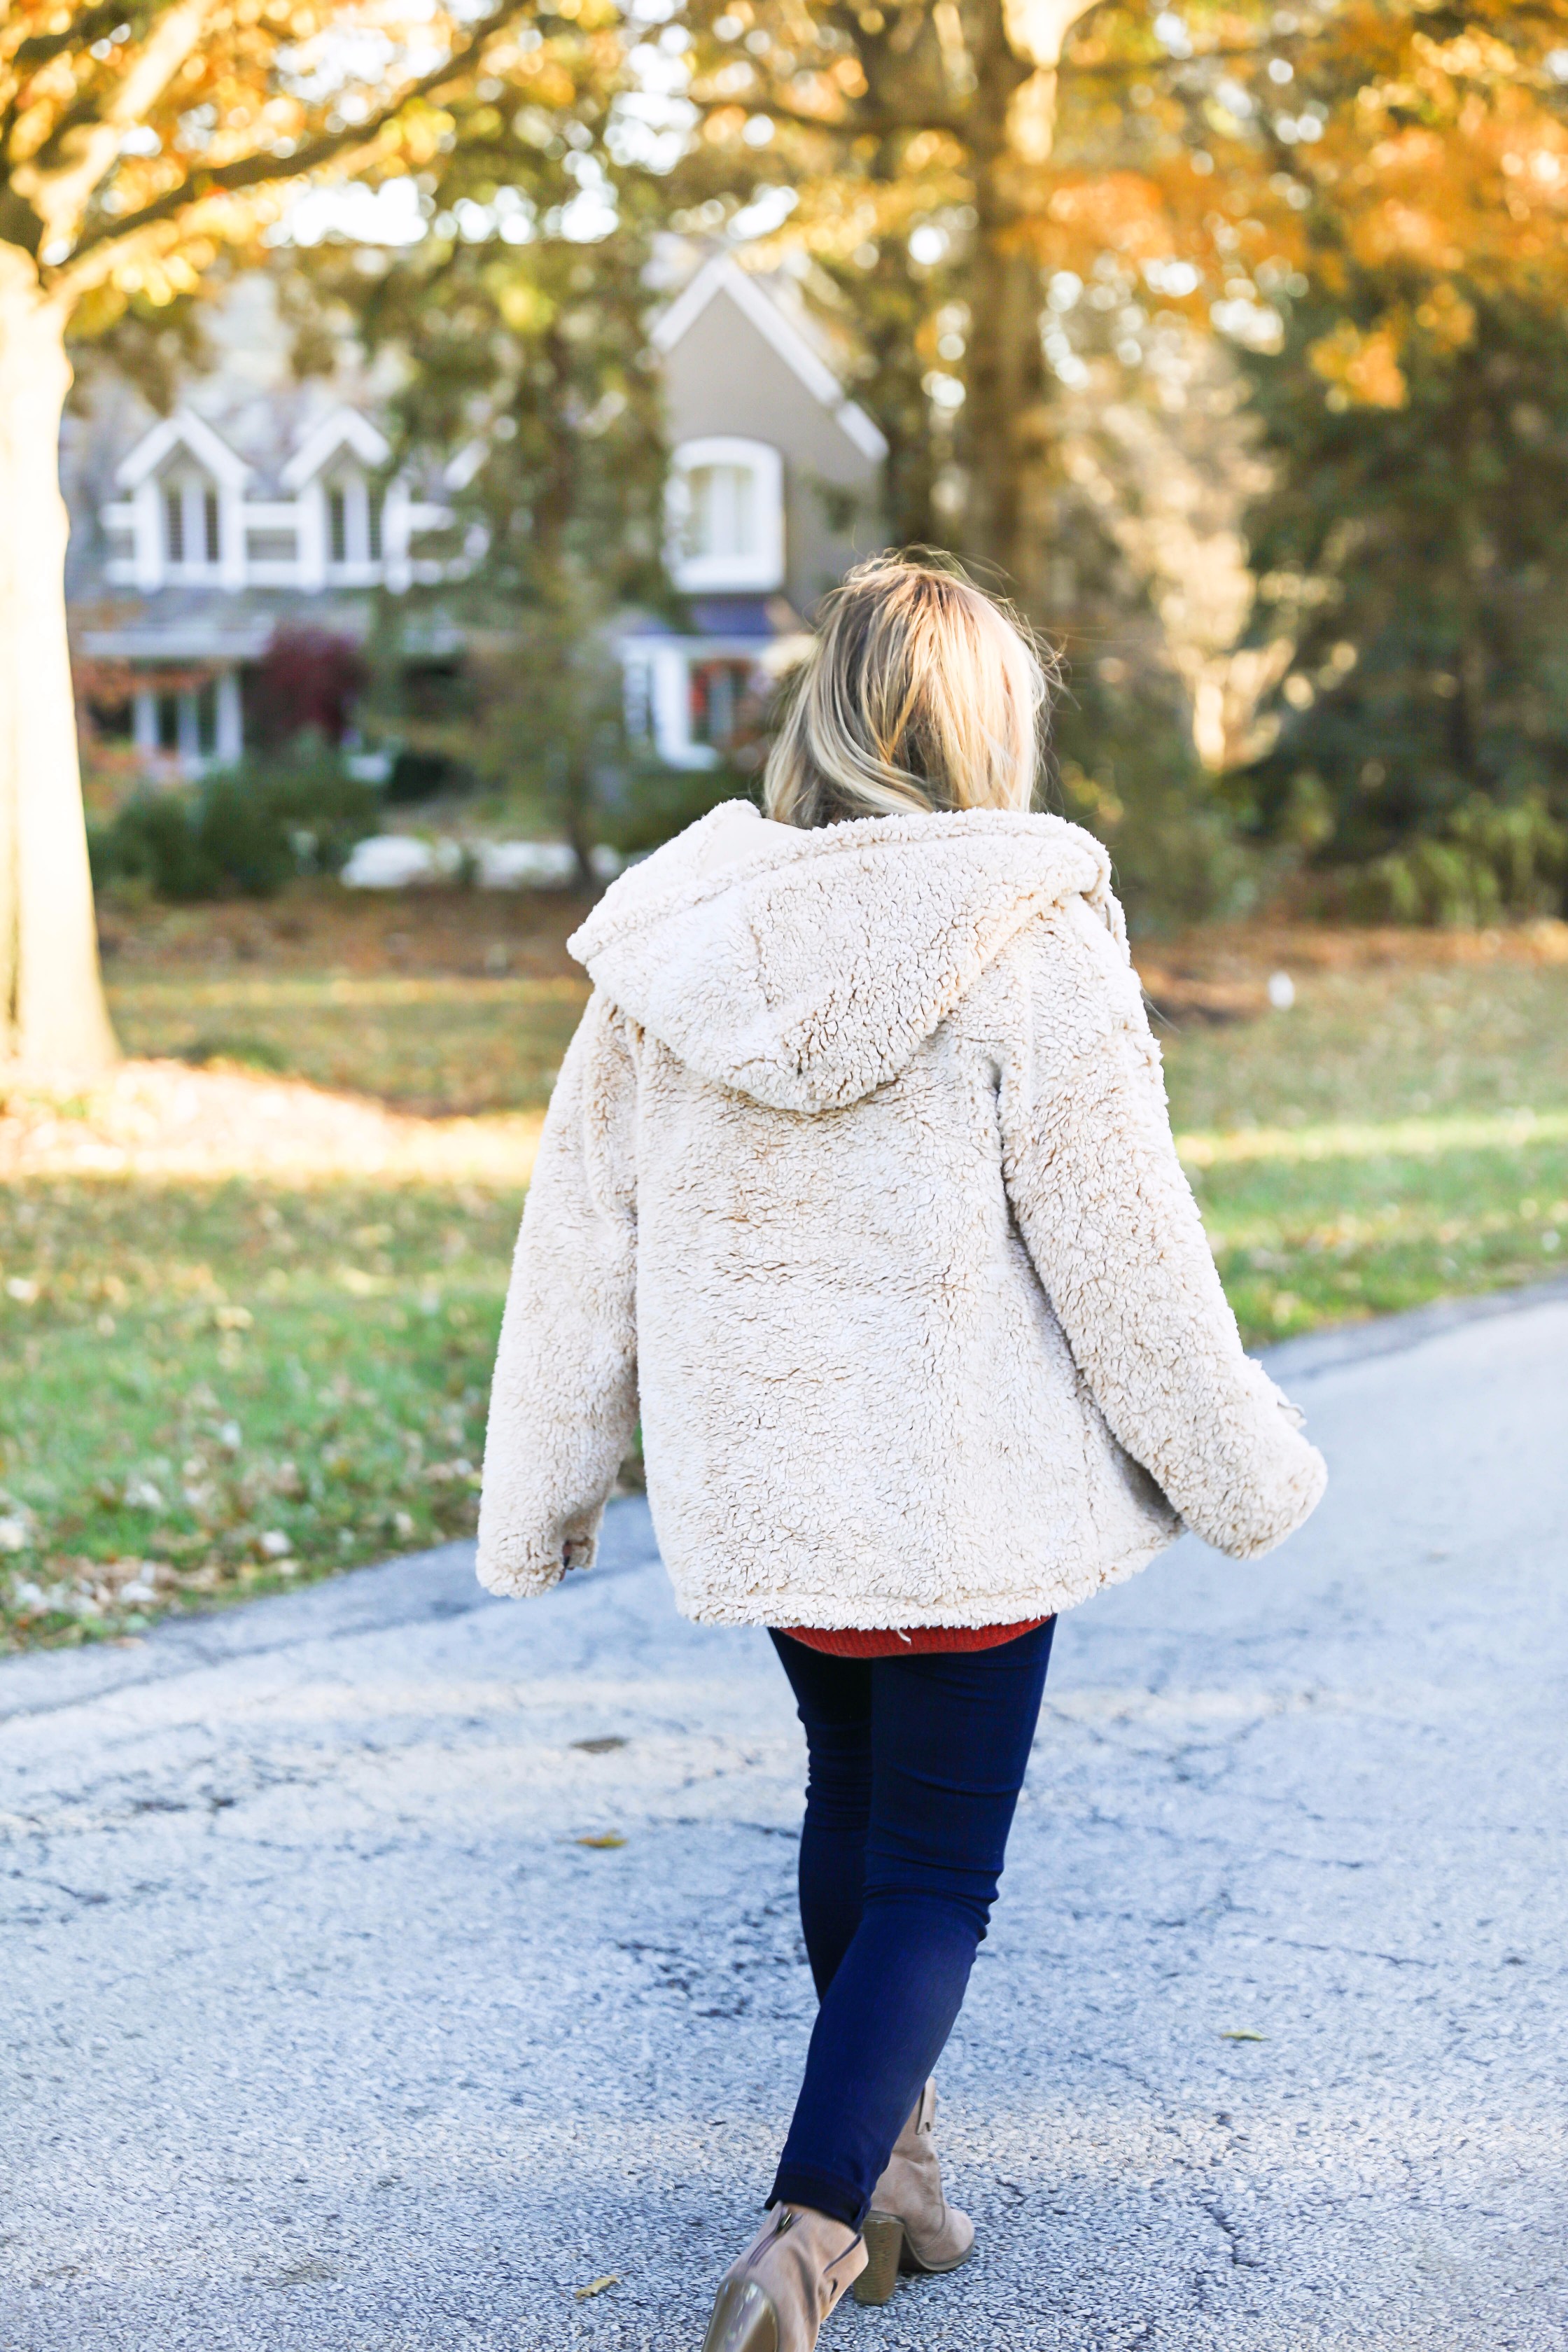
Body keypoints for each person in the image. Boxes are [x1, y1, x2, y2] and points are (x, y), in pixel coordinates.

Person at [477, 553, 1326, 2350]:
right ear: (986, 723)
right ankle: (804, 2237)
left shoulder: (672, 950)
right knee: (935, 1869)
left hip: (774, 1502)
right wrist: (1244, 1468)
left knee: (848, 1807)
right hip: (962, 1499)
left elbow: (578, 1243)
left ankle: (898, 2176)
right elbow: (1126, 1247)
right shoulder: (1030, 932)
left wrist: (542, 1496)